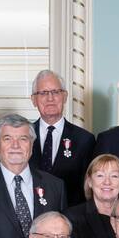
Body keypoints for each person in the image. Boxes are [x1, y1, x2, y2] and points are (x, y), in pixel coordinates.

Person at [29, 69, 95, 206]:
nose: (50, 98)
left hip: (71, 219)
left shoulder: (84, 139)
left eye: (55, 92)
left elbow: (89, 189)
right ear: (34, 100)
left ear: (65, 96)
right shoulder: (23, 137)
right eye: (43, 93)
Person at [64, 154, 119, 238]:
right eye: (100, 176)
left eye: (114, 176)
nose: (107, 182)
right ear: (90, 181)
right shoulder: (72, 217)